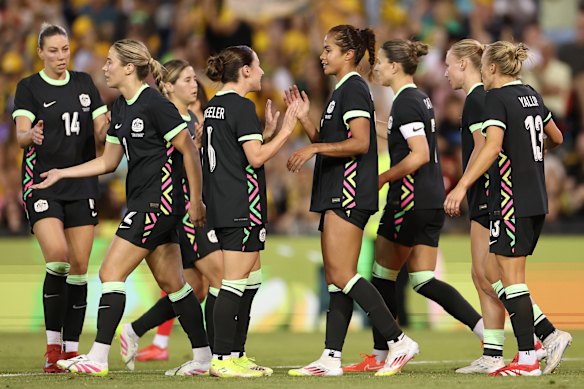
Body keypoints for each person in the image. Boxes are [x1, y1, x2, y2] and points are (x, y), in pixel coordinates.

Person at [32, 38, 207, 376]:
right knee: (174, 283)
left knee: (110, 273)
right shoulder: (122, 106)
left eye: (110, 61)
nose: (105, 67)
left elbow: (189, 150)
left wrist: (195, 200)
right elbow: (108, 161)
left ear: (129, 67)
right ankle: (202, 359)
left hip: (157, 203)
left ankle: (98, 357)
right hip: (147, 202)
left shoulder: (155, 104)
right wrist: (62, 173)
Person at [343, 38, 485, 373]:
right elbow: (399, 134)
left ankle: (386, 351)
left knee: (380, 276)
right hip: (431, 200)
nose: (375, 67)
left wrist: (382, 178)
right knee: (422, 278)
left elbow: (419, 154)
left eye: (380, 63)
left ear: (394, 66)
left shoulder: (405, 102)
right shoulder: (418, 98)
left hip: (408, 200)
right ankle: (486, 332)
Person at [285, 25, 417, 377]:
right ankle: (330, 357)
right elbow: (331, 140)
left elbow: (360, 142)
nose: (321, 55)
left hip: (347, 190)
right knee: (336, 278)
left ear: (348, 55)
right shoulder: (340, 92)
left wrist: (314, 146)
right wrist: (305, 121)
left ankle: (398, 340)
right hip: (336, 188)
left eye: (328, 49)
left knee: (342, 273)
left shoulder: (355, 89)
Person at [445, 41, 572, 376]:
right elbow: (556, 137)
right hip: (536, 198)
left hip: (510, 198)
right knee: (503, 275)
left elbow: (490, 148)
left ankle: (534, 352)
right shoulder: (532, 94)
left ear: (490, 68)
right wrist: (530, 155)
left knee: (509, 279)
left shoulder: (497, 99)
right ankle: (532, 347)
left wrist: (461, 185)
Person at [115, 59, 223, 375]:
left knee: (192, 288)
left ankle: (135, 330)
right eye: (188, 79)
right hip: (182, 210)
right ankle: (216, 358)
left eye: (194, 78)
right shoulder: (167, 116)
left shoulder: (190, 118)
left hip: (192, 207)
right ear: (169, 86)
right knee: (218, 278)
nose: (195, 84)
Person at [12, 23, 108, 373]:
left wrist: (108, 126)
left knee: (80, 268)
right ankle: (52, 348)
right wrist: (30, 136)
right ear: (40, 52)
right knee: (58, 257)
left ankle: (71, 350)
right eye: (53, 50)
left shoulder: (85, 84)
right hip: (42, 185)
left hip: (81, 184)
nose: (60, 56)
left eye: (65, 49)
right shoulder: (29, 88)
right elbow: (21, 133)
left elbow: (100, 129)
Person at [202, 45, 299, 378]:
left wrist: (266, 133)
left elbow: (239, 153)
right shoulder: (242, 106)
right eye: (257, 66)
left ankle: (235, 354)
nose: (261, 72)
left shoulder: (214, 106)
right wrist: (287, 129)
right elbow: (256, 159)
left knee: (250, 279)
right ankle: (221, 360)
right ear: (244, 70)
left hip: (223, 202)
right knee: (233, 282)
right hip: (241, 204)